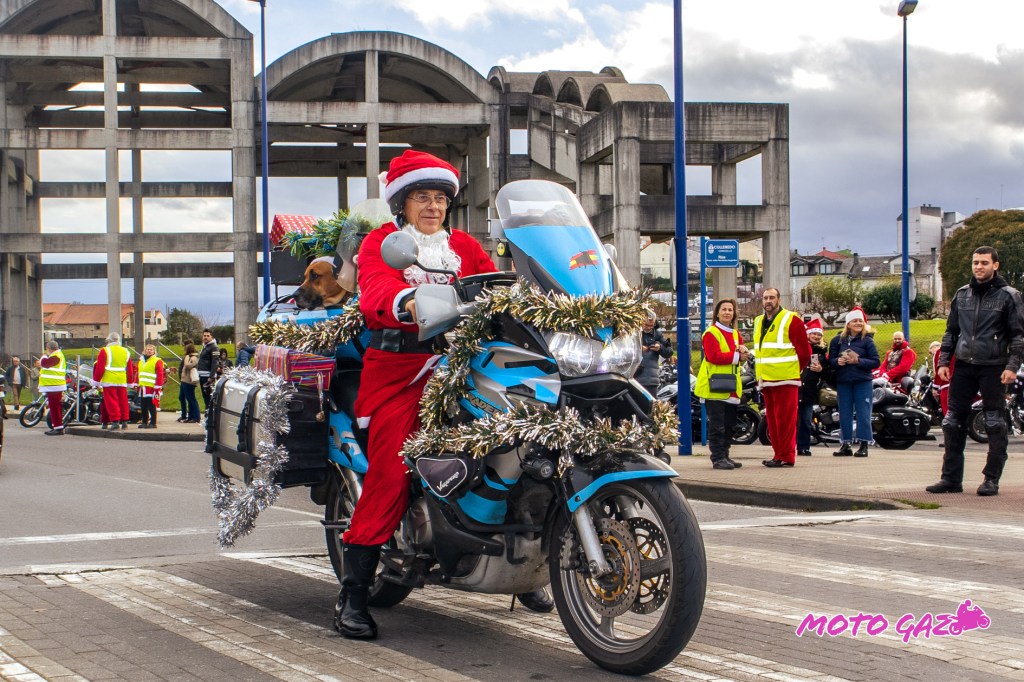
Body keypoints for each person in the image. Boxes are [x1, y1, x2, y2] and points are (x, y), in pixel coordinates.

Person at [332, 150, 551, 640]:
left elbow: (503, 286)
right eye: (422, 197)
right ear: (402, 204)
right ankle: (353, 593)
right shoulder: (383, 243)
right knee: (392, 470)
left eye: (440, 198)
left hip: (467, 364)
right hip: (403, 371)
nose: (433, 206)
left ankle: (529, 562)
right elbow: (375, 291)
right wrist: (408, 299)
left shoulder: (466, 246)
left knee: (529, 440)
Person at [927, 246, 1024, 497]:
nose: (979, 267)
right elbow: (951, 332)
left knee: (994, 423)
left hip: (994, 366)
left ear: (995, 265)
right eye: (975, 262)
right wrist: (944, 361)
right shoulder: (962, 295)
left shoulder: (1009, 296)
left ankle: (991, 479)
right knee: (952, 422)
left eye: (984, 262)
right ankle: (950, 479)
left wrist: (1012, 366)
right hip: (964, 365)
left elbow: (1018, 335)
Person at [752, 287, 811, 467]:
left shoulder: (791, 319)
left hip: (785, 379)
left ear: (779, 299)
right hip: (766, 379)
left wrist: (793, 370)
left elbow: (804, 352)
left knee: (785, 420)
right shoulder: (758, 321)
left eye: (772, 297)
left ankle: (786, 456)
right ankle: (778, 454)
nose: (768, 301)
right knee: (773, 421)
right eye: (765, 298)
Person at [694, 299, 748, 470]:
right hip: (714, 386)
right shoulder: (711, 333)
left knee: (729, 425)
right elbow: (713, 356)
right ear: (717, 313)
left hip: (730, 387)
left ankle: (725, 455)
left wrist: (743, 352)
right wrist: (737, 356)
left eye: (730, 310)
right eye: (724, 309)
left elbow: (740, 352)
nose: (727, 312)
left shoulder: (735, 334)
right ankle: (717, 458)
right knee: (717, 426)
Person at [828, 307, 880, 457]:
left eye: (860, 321)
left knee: (863, 412)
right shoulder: (837, 341)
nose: (858, 323)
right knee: (844, 413)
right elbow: (831, 361)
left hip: (862, 381)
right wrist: (838, 361)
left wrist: (858, 361)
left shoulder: (867, 341)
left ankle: (864, 444)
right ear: (848, 324)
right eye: (855, 321)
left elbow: (876, 361)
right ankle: (846, 444)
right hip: (844, 381)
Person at [797, 318, 828, 456]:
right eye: (814, 333)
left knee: (806, 420)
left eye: (819, 334)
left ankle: (803, 447)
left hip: (809, 391)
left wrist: (821, 370)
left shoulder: (821, 353)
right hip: (796, 388)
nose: (816, 336)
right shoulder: (799, 348)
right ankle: (789, 446)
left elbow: (828, 373)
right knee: (791, 420)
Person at [92, 332, 133, 431]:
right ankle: (125, 421)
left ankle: (115, 422)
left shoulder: (105, 350)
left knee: (111, 402)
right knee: (123, 401)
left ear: (108, 340)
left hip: (109, 379)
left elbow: (100, 368)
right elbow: (130, 368)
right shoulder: (126, 351)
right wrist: (130, 381)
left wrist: (96, 381)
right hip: (122, 379)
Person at [634, 312, 673, 398]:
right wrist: (638, 349)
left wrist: (660, 348)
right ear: (641, 321)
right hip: (634, 377)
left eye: (651, 326)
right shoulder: (633, 333)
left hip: (651, 378)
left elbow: (669, 351)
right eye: (646, 325)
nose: (648, 328)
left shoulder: (658, 334)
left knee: (650, 403)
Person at [38, 341, 68, 436]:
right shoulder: (57, 355)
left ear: (49, 348)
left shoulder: (56, 356)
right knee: (54, 407)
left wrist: (43, 357)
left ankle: (58, 427)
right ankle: (56, 426)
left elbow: (45, 364)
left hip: (54, 385)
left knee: (55, 407)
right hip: (53, 385)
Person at [137, 345, 165, 429]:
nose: (149, 351)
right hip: (143, 386)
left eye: (151, 350)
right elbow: (139, 373)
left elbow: (160, 374)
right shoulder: (141, 361)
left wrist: (158, 386)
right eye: (148, 349)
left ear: (154, 351)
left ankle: (153, 422)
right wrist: (136, 383)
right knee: (143, 405)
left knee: (151, 405)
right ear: (144, 351)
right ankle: (144, 422)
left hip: (152, 387)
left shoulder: (157, 360)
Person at [177, 343, 201, 423]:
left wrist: (186, 358)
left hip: (189, 381)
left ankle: (196, 417)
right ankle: (190, 416)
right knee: (184, 397)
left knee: (191, 399)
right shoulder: (189, 357)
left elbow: (188, 366)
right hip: (184, 380)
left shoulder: (194, 358)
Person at [197, 329, 218, 409]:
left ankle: (209, 413)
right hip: (202, 374)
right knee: (205, 396)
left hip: (207, 375)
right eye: (204, 336)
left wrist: (212, 376)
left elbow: (215, 362)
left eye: (208, 336)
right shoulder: (205, 346)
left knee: (208, 396)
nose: (206, 337)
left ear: (211, 337)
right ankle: (207, 412)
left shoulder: (214, 347)